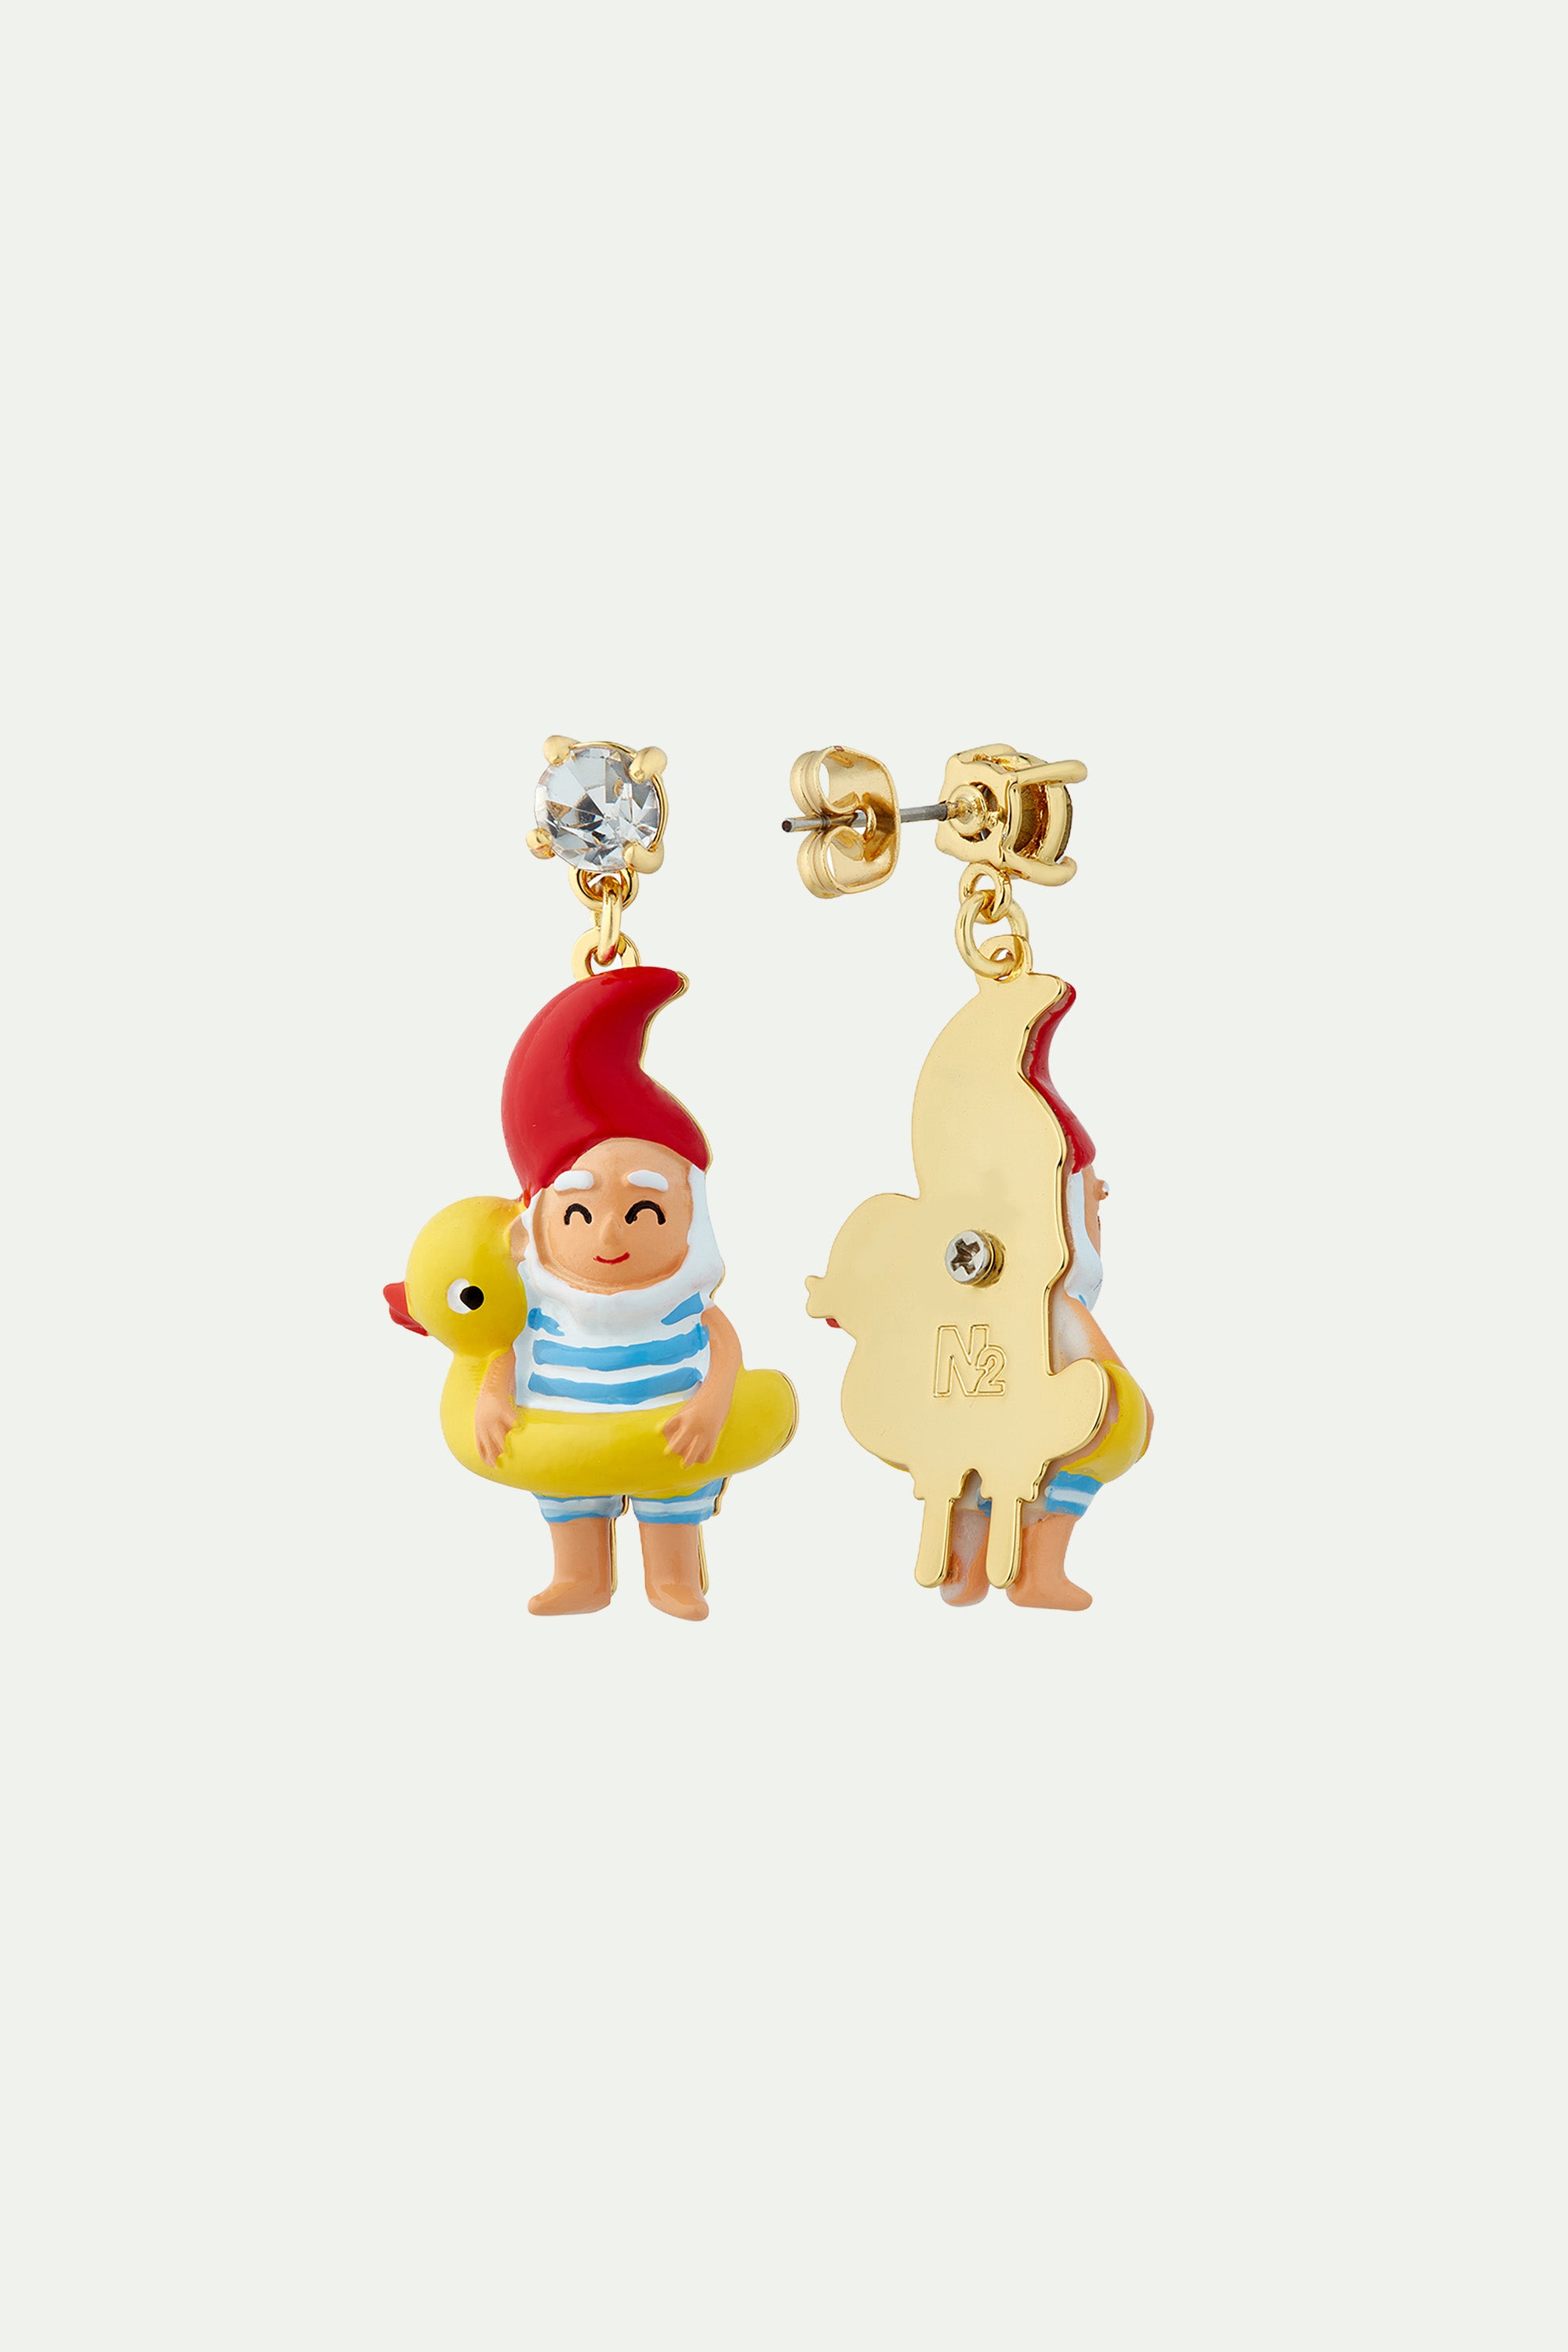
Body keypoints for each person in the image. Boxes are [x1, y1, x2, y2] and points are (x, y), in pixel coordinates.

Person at [475, 965, 743, 1623]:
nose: (609, 1235)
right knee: (568, 1500)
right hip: (563, 1435)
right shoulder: (539, 1302)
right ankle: (580, 1575)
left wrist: (711, 1406)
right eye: (578, 1213)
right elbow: (503, 1345)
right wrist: (492, 1396)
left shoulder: (686, 1303)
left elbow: (725, 1349)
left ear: (690, 1216)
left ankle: (673, 1578)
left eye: (644, 1212)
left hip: (672, 1435)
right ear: (540, 1222)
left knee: (670, 1499)